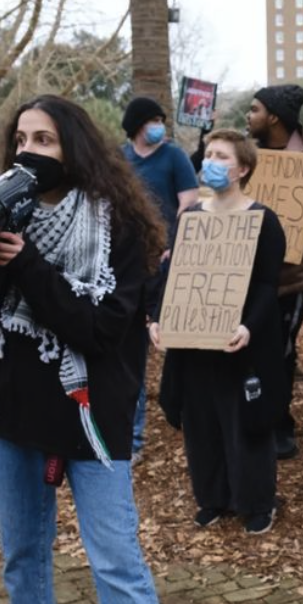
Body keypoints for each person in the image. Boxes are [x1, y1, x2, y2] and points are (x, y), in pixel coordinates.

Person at [0, 95, 216, 604]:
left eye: (44, 140)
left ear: (74, 148)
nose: (28, 151)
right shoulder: (6, 216)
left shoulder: (121, 226)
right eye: (21, 139)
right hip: (15, 406)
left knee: (116, 563)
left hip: (90, 417)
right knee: (22, 550)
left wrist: (24, 263)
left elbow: (100, 330)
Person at [154, 129, 286, 534]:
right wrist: (158, 319)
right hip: (195, 346)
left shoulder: (263, 221)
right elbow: (173, 275)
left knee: (244, 422)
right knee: (201, 423)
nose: (210, 161)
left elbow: (268, 285)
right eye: (208, 154)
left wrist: (249, 327)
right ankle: (212, 496)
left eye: (221, 156)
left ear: (242, 168)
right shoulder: (191, 218)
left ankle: (257, 502)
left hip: (240, 344)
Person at [245, 84, 303, 460]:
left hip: (289, 281)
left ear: (274, 118)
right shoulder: (246, 158)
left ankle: (281, 424)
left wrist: (278, 250)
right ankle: (254, 416)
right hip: (246, 279)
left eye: (254, 109)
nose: (248, 116)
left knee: (279, 351)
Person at [120, 96, 199, 462]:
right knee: (130, 354)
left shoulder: (175, 157)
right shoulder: (120, 158)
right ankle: (132, 438)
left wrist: (173, 245)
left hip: (166, 263)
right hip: (129, 266)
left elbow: (189, 204)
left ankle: (186, 415)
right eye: (152, 120)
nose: (159, 126)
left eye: (161, 120)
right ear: (136, 125)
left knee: (175, 345)